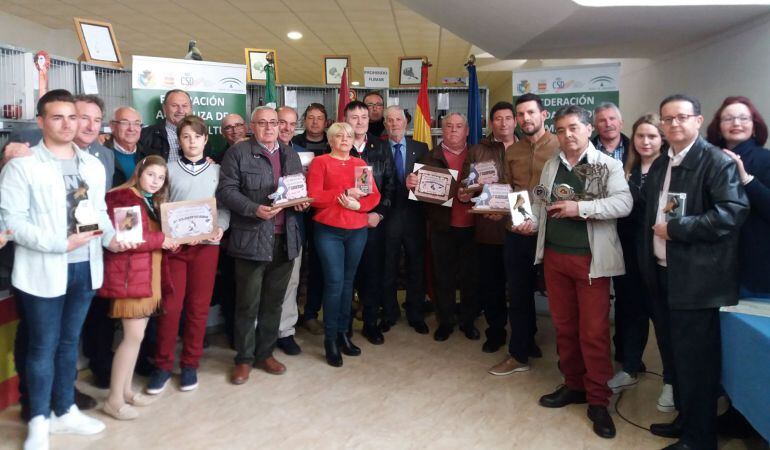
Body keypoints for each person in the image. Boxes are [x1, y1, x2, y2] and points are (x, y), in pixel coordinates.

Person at [0, 89, 128, 449]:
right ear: (41, 122)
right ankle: (39, 420)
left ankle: (64, 409)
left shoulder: (91, 163)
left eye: (73, 117)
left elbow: (98, 213)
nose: (68, 124)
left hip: (85, 268)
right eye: (58, 117)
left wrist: (111, 238)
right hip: (43, 268)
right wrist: (60, 242)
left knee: (69, 343)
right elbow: (12, 223)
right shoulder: (23, 166)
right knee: (42, 346)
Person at [640, 95, 749, 450]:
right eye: (667, 119)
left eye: (681, 117)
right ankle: (687, 421)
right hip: (663, 274)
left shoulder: (716, 162)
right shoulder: (661, 163)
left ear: (699, 121)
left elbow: (732, 212)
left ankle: (700, 440)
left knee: (697, 365)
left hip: (697, 280)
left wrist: (678, 230)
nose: (673, 124)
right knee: (674, 357)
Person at [519, 105, 631, 439]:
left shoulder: (604, 165)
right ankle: (573, 384)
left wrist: (579, 208)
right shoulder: (552, 164)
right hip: (555, 257)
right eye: (562, 129)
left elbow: (623, 204)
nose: (568, 135)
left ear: (587, 129)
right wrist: (529, 221)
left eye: (574, 128)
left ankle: (598, 399)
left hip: (590, 260)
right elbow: (541, 202)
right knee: (564, 327)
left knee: (593, 331)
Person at [217, 106, 307, 384]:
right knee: (247, 303)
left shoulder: (289, 154)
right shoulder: (238, 153)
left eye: (274, 123)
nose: (269, 128)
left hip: (285, 239)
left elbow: (296, 188)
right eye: (262, 123)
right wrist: (254, 208)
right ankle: (243, 358)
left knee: (273, 302)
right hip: (252, 239)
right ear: (251, 127)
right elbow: (226, 191)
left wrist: (300, 202)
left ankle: (265, 353)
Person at [149, 116, 229, 394]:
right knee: (171, 308)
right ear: (179, 140)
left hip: (206, 247)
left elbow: (225, 205)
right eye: (186, 137)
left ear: (206, 139)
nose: (192, 142)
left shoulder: (217, 171)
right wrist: (165, 232)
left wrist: (221, 227)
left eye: (197, 137)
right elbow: (159, 202)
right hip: (176, 248)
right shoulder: (168, 169)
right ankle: (162, 365)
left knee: (198, 308)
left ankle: (190, 364)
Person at [100, 155, 178, 419]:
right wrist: (162, 239)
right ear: (139, 172)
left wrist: (168, 240)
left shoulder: (149, 200)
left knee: (136, 338)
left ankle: (125, 391)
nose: (155, 181)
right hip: (130, 277)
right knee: (132, 338)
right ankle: (113, 399)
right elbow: (129, 238)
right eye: (151, 175)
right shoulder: (123, 197)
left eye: (160, 177)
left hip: (147, 275)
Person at [488, 94, 559, 375]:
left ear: (543, 114)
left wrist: (538, 223)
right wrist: (507, 213)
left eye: (530, 112)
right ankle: (519, 352)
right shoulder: (513, 151)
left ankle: (571, 363)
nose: (525, 118)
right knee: (517, 295)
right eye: (520, 114)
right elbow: (511, 187)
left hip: (552, 233)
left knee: (559, 297)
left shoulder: (559, 146)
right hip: (518, 232)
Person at [608, 114, 675, 413]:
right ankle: (630, 368)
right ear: (632, 139)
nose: (646, 142)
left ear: (662, 139)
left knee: (663, 322)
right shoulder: (628, 169)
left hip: (658, 258)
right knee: (631, 314)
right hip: (629, 256)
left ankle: (672, 382)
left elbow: (669, 213)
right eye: (640, 136)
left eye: (652, 136)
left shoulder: (671, 169)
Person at [307, 122, 381, 366]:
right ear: (330, 140)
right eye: (339, 135)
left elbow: (374, 195)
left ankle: (342, 334)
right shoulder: (321, 163)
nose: (345, 138)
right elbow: (314, 197)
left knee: (348, 283)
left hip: (357, 230)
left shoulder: (359, 164)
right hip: (329, 231)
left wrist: (360, 205)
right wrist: (344, 193)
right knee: (334, 282)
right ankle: (330, 338)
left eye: (348, 135)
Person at [407, 113, 477, 342]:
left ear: (467, 130)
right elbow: (417, 195)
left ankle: (468, 321)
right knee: (442, 276)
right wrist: (412, 184)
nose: (454, 130)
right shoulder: (429, 156)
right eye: (449, 126)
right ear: (441, 129)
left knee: (470, 277)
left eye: (459, 126)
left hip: (473, 226)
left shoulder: (478, 155)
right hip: (441, 226)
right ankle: (445, 321)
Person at [706, 96, 770, 298]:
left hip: (753, 265)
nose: (736, 123)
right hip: (711, 262)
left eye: (744, 118)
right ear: (718, 126)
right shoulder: (707, 158)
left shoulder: (766, 159)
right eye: (728, 119)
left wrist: (746, 179)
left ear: (754, 125)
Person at [344, 100, 397, 345]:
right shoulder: (337, 146)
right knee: (346, 276)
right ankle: (344, 325)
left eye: (363, 117)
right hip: (344, 223)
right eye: (354, 117)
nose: (359, 121)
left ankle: (370, 322)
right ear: (345, 120)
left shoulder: (381, 146)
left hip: (373, 222)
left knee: (373, 273)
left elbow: (390, 185)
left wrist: (379, 214)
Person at [465, 102, 512, 353]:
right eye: (498, 119)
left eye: (508, 118)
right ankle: (496, 331)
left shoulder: (528, 148)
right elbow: (469, 186)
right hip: (488, 230)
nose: (503, 123)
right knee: (492, 285)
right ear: (491, 123)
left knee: (520, 286)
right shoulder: (477, 150)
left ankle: (526, 334)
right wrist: (472, 195)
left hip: (521, 228)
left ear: (515, 121)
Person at [381, 106, 430, 335]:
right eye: (389, 120)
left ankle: (415, 313)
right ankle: (389, 313)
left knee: (416, 266)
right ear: (385, 125)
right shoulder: (378, 148)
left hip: (414, 217)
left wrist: (418, 183)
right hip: (387, 217)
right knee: (387, 266)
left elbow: (430, 183)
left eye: (398, 119)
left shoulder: (421, 148)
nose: (394, 124)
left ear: (406, 122)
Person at [293, 103, 330, 335]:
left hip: (322, 212)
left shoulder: (332, 143)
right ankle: (290, 312)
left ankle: (311, 313)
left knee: (318, 263)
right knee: (293, 263)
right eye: (310, 118)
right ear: (304, 121)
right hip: (295, 211)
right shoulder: (292, 143)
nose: (315, 122)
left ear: (326, 122)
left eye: (319, 118)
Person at [139, 89, 210, 162]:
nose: (180, 110)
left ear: (191, 108)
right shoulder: (146, 135)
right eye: (174, 105)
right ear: (164, 108)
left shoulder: (201, 134)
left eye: (184, 106)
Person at [106, 107, 146, 187]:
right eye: (124, 122)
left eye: (136, 123)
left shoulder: (149, 154)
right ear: (112, 126)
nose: (131, 128)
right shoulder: (101, 155)